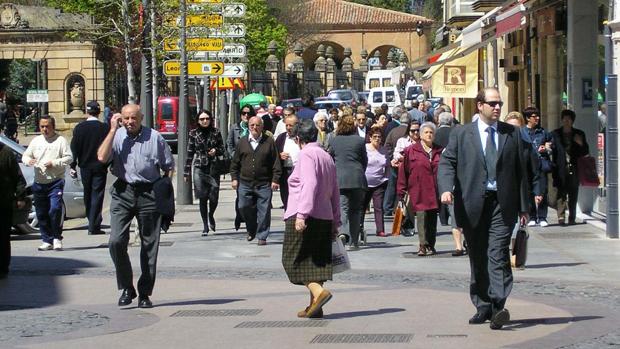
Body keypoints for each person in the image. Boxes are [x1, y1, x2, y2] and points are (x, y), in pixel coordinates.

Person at [438, 87, 530, 330]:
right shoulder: (461, 134)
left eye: (499, 103)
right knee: (478, 255)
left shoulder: (512, 133)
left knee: (498, 252)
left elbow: (521, 170)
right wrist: (446, 188)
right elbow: (447, 162)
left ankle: (499, 305)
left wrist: (524, 206)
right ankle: (483, 305)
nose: (497, 107)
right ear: (480, 105)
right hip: (471, 203)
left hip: (503, 203)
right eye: (492, 103)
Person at [97, 104, 174, 308]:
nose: (130, 122)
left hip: (148, 192)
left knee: (149, 245)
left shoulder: (154, 137)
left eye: (134, 118)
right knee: (115, 241)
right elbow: (102, 157)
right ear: (120, 119)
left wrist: (164, 193)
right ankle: (126, 287)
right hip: (123, 191)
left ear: (141, 118)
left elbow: (168, 166)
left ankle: (144, 293)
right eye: (126, 119)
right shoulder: (117, 135)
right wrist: (112, 130)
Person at [282, 119, 340, 319]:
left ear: (299, 139)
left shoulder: (306, 154)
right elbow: (335, 190)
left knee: (292, 260)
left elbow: (310, 184)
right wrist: (335, 219)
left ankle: (318, 292)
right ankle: (315, 306)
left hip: (305, 214)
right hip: (324, 215)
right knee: (316, 262)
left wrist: (301, 215)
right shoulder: (326, 156)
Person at [22, 115, 72, 251]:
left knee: (55, 209)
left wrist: (54, 163)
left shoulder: (61, 141)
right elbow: (25, 155)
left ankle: (57, 237)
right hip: (39, 182)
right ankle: (46, 240)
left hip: (56, 181)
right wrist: (28, 161)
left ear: (53, 126)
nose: (45, 129)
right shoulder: (36, 141)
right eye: (42, 126)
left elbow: (69, 157)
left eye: (47, 126)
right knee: (41, 212)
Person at [230, 116, 282, 245]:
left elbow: (276, 162)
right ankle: (251, 228)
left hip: (264, 183)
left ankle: (262, 236)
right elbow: (235, 163)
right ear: (248, 127)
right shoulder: (242, 142)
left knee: (264, 211)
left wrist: (275, 180)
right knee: (243, 206)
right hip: (245, 182)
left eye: (257, 125)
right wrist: (234, 178)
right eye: (252, 125)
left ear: (262, 127)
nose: (255, 128)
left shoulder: (269, 142)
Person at [398, 122, 443, 256]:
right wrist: (401, 189)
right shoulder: (411, 150)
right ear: (421, 135)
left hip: (434, 189)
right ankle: (422, 245)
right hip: (418, 188)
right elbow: (403, 171)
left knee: (432, 218)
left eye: (431, 133)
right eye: (426, 132)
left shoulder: (439, 151)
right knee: (422, 216)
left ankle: (431, 244)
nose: (429, 135)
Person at [70, 100, 109, 235]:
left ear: (87, 112)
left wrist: (73, 164)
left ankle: (90, 219)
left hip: (85, 166)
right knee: (97, 194)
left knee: (87, 193)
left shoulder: (79, 128)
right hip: (100, 166)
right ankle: (94, 224)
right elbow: (110, 148)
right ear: (99, 112)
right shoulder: (105, 128)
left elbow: (74, 147)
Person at [328, 115, 368, 251]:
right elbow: (364, 160)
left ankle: (343, 234)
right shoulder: (360, 141)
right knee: (356, 210)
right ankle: (354, 242)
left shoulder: (334, 141)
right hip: (357, 178)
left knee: (342, 208)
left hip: (340, 179)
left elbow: (330, 159)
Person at [184, 110, 226, 236]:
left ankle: (211, 215)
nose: (205, 121)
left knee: (214, 197)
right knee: (202, 197)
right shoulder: (193, 133)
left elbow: (222, 149)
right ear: (198, 120)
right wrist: (186, 172)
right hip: (199, 167)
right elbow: (190, 152)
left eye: (207, 118)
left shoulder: (216, 132)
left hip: (213, 167)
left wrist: (216, 151)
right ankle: (205, 226)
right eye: (202, 119)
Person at [434, 112, 466, 256]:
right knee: (455, 214)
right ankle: (459, 245)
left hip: (462, 188)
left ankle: (463, 243)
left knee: (456, 215)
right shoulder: (452, 145)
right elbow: (446, 165)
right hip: (454, 186)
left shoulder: (437, 135)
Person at [551, 109, 590, 225]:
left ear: (573, 121)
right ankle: (561, 217)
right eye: (565, 119)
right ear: (562, 120)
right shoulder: (555, 134)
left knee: (573, 193)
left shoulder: (579, 134)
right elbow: (552, 149)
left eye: (569, 119)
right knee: (561, 192)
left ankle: (572, 217)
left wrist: (581, 143)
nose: (567, 121)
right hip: (560, 167)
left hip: (575, 167)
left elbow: (586, 152)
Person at [520, 107, 553, 227]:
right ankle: (532, 216)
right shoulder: (522, 132)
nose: (537, 118)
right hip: (527, 166)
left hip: (540, 164)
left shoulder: (543, 132)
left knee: (543, 190)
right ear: (528, 118)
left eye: (538, 116)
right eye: (534, 116)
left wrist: (547, 148)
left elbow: (551, 145)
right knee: (529, 191)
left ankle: (543, 217)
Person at [0, 139, 26, 278]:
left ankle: (3, 267)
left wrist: (20, 197)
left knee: (3, 237)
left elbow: (18, 177)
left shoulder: (6, 153)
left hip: (3, 203)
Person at [227, 104, 255, 231]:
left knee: (252, 195)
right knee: (240, 194)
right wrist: (235, 156)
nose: (246, 116)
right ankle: (239, 215)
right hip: (239, 166)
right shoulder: (235, 128)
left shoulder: (255, 128)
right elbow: (229, 144)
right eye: (244, 113)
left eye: (249, 113)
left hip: (252, 165)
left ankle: (250, 220)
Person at [362, 126, 389, 237]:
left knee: (379, 207)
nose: (377, 139)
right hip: (365, 182)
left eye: (379, 137)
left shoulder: (384, 150)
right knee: (362, 207)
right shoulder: (364, 148)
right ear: (370, 137)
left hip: (379, 182)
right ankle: (359, 228)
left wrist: (386, 177)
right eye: (375, 137)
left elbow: (387, 165)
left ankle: (380, 230)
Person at [383, 110, 410, 216]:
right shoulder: (409, 132)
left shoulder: (393, 131)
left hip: (395, 164)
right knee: (405, 186)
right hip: (406, 164)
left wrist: (390, 159)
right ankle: (403, 206)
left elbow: (387, 145)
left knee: (392, 185)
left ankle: (388, 207)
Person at [275, 113, 300, 211]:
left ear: (297, 125)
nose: (288, 128)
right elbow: (274, 154)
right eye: (287, 125)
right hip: (286, 172)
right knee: (286, 198)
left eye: (291, 125)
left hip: (299, 171)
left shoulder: (301, 137)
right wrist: (280, 155)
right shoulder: (281, 138)